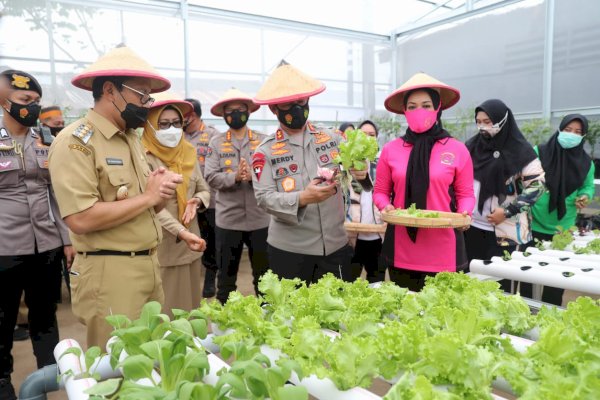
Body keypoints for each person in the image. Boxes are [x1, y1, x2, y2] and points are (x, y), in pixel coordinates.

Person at [48, 46, 183, 348]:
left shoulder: (131, 139)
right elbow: (80, 218)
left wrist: (159, 193)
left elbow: (142, 205)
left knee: (152, 360)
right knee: (118, 371)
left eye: (149, 98)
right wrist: (148, 198)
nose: (147, 104)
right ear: (110, 90)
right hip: (110, 274)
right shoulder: (75, 142)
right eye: (142, 95)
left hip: (147, 264)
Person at [252, 60, 368, 284]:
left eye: (301, 101)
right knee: (293, 316)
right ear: (274, 108)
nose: (297, 107)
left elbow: (356, 180)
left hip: (336, 246)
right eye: (288, 103)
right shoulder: (264, 152)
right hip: (290, 251)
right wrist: (303, 198)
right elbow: (264, 198)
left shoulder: (333, 137)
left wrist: (360, 172)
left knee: (336, 314)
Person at [0, 70, 72, 400]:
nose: (32, 107)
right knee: (3, 321)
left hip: (46, 244)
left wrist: (67, 238)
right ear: (4, 101)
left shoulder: (46, 138)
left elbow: (57, 192)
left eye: (36, 101)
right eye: (25, 100)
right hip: (5, 248)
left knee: (45, 317)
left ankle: (46, 382)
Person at [374, 72, 475, 291]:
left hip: (444, 247)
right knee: (406, 313)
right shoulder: (391, 150)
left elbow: (465, 194)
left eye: (426, 105)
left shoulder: (457, 149)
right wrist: (385, 206)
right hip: (402, 246)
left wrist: (466, 212)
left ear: (438, 108)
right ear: (404, 111)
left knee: (442, 318)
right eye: (412, 106)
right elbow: (380, 191)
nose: (419, 111)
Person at [465, 99, 545, 293]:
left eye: (488, 121)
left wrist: (508, 211)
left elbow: (537, 186)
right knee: (471, 281)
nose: (483, 126)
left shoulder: (521, 151)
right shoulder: (472, 146)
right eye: (479, 121)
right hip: (472, 228)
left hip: (505, 234)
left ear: (503, 120)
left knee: (499, 286)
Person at [141, 93, 210, 313]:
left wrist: (196, 201)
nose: (171, 129)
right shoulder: (144, 157)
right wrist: (181, 232)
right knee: (170, 309)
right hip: (165, 246)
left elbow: (203, 188)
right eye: (164, 124)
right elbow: (151, 206)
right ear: (151, 126)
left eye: (176, 123)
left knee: (192, 306)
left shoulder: (187, 152)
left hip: (192, 241)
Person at [204, 88, 269, 303]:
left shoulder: (262, 141)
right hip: (228, 221)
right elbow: (211, 177)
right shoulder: (215, 142)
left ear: (249, 111)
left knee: (264, 279)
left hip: (261, 219)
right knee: (226, 280)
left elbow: (272, 175)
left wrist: (253, 176)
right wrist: (235, 177)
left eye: (240, 109)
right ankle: (225, 326)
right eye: (230, 111)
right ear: (223, 115)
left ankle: (268, 321)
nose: (235, 114)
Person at [531, 114, 594, 305]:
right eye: (568, 130)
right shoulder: (540, 151)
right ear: (560, 129)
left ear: (583, 136)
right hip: (534, 220)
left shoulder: (586, 163)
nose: (571, 135)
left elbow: (587, 186)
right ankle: (526, 312)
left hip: (563, 227)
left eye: (577, 132)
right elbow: (527, 178)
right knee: (528, 272)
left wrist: (585, 197)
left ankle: (549, 314)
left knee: (556, 277)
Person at [183, 98, 220, 298]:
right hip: (184, 200)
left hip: (210, 199)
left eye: (184, 114)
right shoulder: (178, 137)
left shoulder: (213, 135)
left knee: (209, 239)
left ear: (194, 115)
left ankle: (210, 276)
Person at [346, 120, 386, 283]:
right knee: (348, 283)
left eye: (372, 135)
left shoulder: (383, 164)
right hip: (351, 236)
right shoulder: (345, 164)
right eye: (363, 135)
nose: (368, 139)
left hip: (378, 236)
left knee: (376, 282)